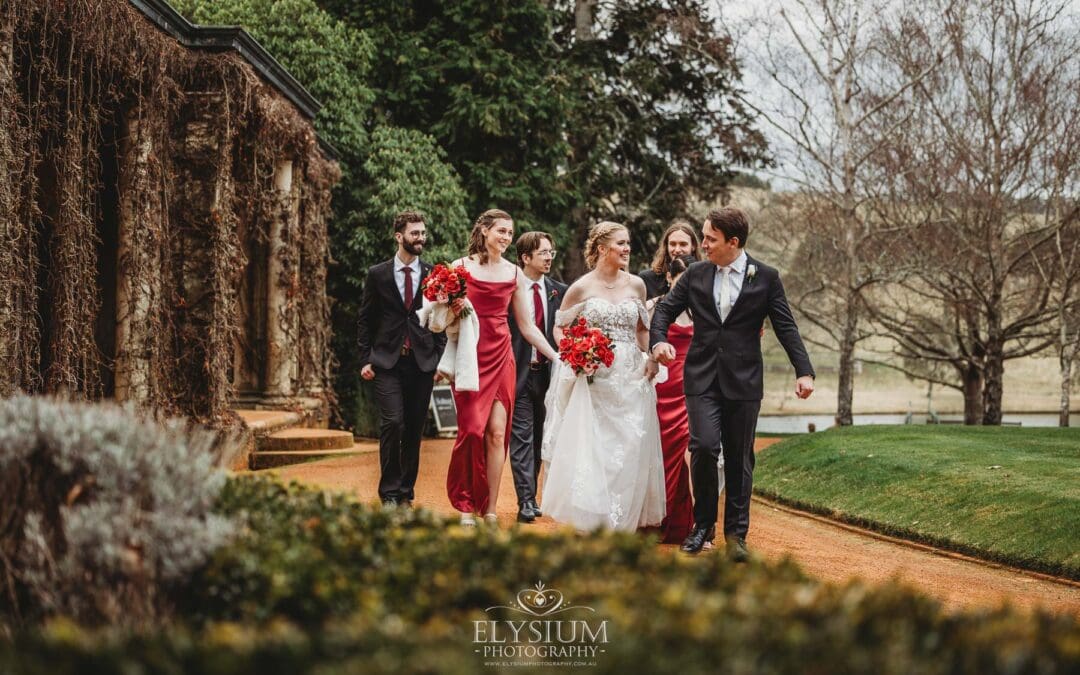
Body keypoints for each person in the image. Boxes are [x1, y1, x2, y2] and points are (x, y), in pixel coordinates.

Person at [650, 207, 815, 560]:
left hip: (744, 382)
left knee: (740, 458)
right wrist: (658, 340)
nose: (703, 244)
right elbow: (664, 310)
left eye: (710, 238)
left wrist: (804, 371)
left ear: (733, 242)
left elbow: (785, 326)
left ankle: (737, 536)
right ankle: (702, 525)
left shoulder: (766, 277)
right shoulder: (695, 274)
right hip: (701, 378)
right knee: (705, 447)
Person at [540, 221, 666, 533]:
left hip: (630, 377)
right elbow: (560, 327)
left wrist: (651, 356)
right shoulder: (581, 287)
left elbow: (641, 330)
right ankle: (592, 523)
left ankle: (621, 525)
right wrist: (575, 352)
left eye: (628, 243)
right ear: (601, 249)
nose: (627, 249)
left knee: (628, 450)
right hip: (595, 376)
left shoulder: (636, 285)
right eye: (621, 244)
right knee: (596, 450)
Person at [445, 209, 559, 527]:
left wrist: (556, 355)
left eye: (510, 233)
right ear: (483, 231)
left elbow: (527, 327)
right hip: (470, 356)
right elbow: (440, 315)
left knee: (497, 435)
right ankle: (466, 504)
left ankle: (490, 509)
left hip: (502, 356)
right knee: (470, 431)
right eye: (501, 231)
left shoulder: (514, 274)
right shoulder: (459, 267)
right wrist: (452, 306)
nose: (506, 238)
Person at [357, 211, 447, 508]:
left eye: (423, 233)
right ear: (399, 236)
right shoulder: (377, 274)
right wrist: (364, 359)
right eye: (415, 233)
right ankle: (389, 494)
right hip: (387, 362)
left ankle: (406, 493)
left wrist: (437, 358)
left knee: (412, 429)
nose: (421, 238)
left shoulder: (435, 275)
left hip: (422, 364)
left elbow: (442, 320)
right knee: (393, 423)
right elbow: (365, 319)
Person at [507, 231, 566, 523]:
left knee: (541, 436)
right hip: (517, 371)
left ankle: (532, 492)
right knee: (521, 436)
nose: (548, 258)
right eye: (542, 252)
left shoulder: (560, 291)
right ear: (525, 257)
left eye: (550, 252)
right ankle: (526, 499)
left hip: (549, 375)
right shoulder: (509, 290)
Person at [647, 254, 698, 544]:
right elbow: (641, 342)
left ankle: (699, 524)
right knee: (659, 453)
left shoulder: (703, 311)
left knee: (692, 453)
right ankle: (657, 518)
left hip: (691, 389)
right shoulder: (655, 308)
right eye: (680, 282)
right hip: (660, 388)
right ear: (669, 279)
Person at [638, 220, 701, 299]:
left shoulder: (703, 277)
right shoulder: (647, 278)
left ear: (693, 246)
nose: (677, 249)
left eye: (683, 244)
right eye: (672, 244)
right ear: (666, 246)